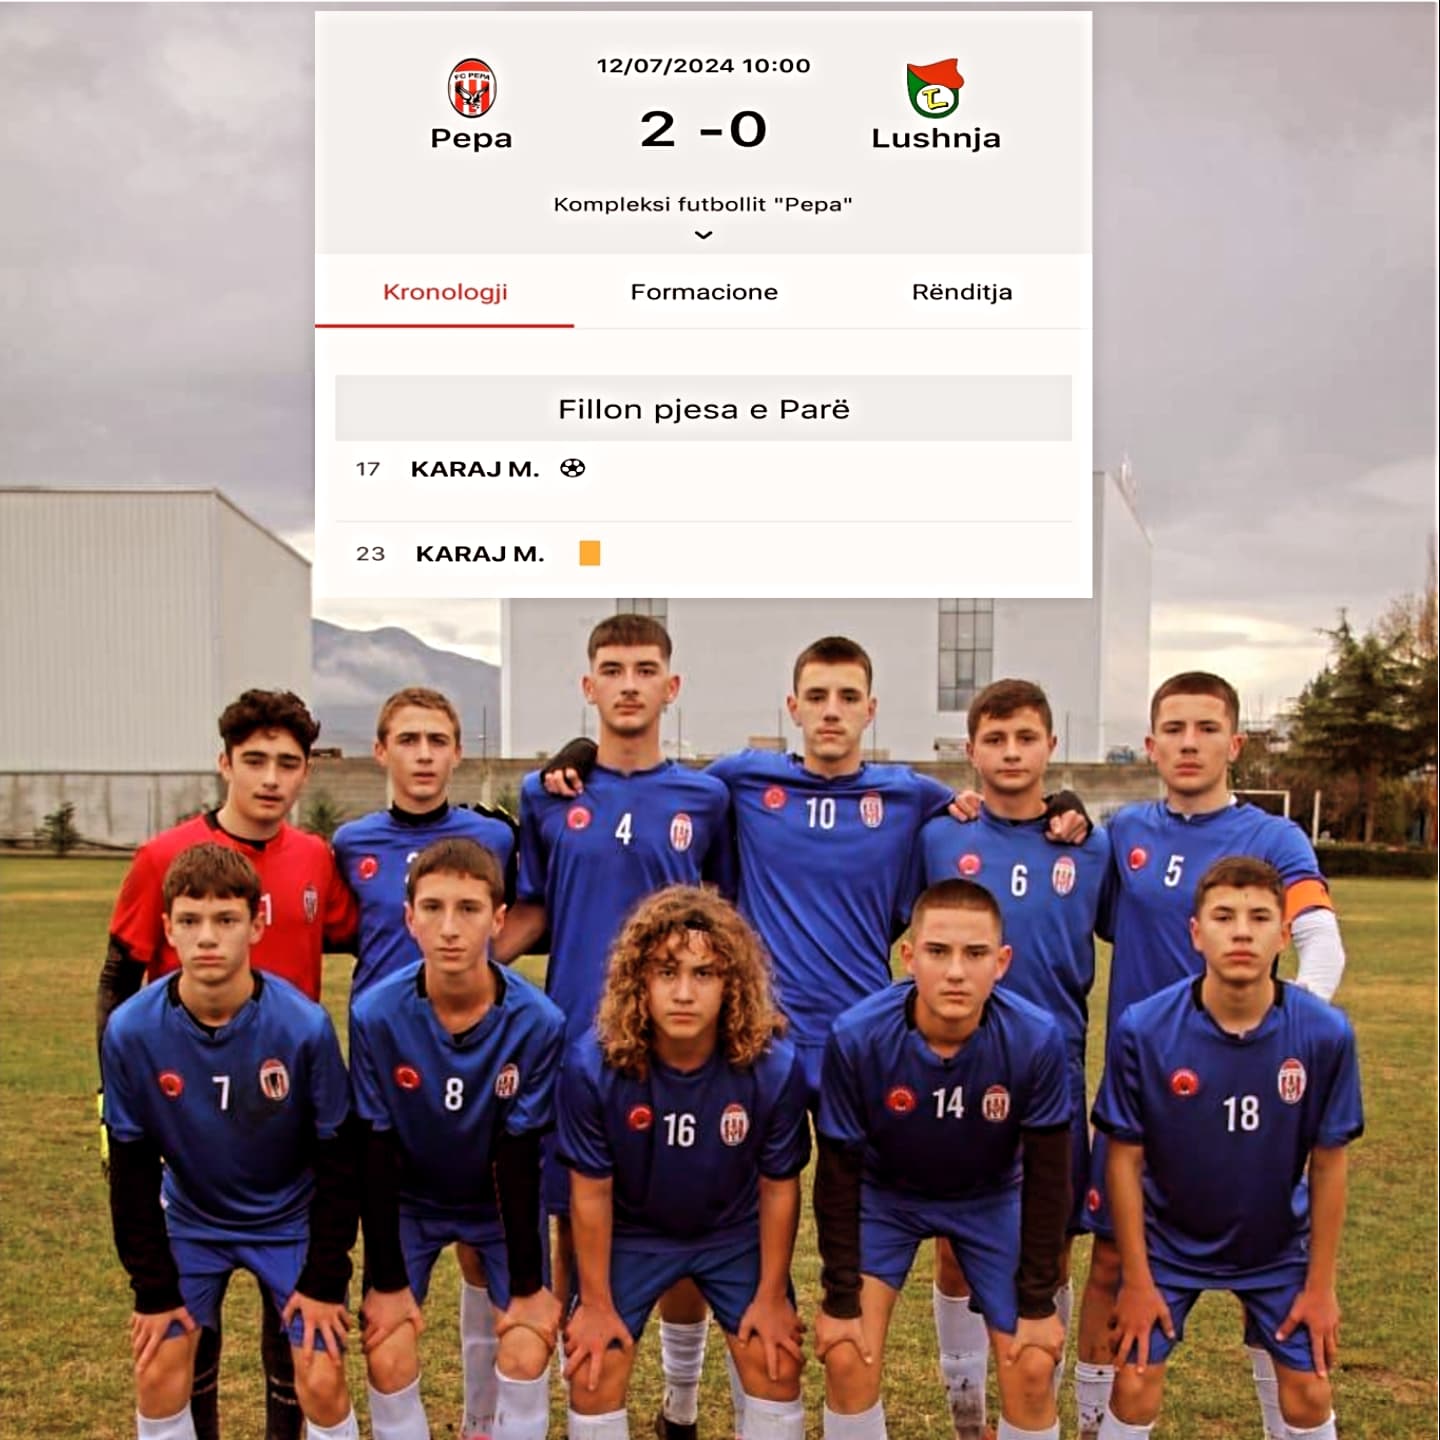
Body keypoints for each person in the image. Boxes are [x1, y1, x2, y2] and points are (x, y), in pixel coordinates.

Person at [1076, 672, 1347, 1440]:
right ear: (1151, 744)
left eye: (1206, 728)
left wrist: (1286, 1034)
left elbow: (1322, 945)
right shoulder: (1125, 832)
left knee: (1273, 1280)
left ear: (1235, 742)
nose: (1189, 743)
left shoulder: (1273, 839)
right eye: (1174, 729)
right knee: (1110, 1266)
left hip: (1246, 1100)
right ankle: (1093, 1425)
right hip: (1144, 1096)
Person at [98, 688, 358, 1440]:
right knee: (182, 1347)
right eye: (254, 761)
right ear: (225, 764)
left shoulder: (316, 857)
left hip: (285, 1113)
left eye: (288, 763)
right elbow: (118, 975)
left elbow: (374, 933)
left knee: (300, 1349)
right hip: (187, 1104)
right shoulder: (162, 858)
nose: (271, 778)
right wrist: (114, 1094)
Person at [503, 613, 733, 1440]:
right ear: (588, 685)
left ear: (671, 687)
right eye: (611, 669)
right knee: (578, 1229)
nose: (628, 684)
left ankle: (680, 1405)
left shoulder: (708, 798)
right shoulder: (546, 794)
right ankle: (588, 1404)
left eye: (644, 669)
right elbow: (532, 907)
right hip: (578, 1047)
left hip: (681, 1050)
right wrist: (456, 968)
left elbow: (723, 921)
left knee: (684, 1222)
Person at [1090, 856, 1362, 1440]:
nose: (1241, 932)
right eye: (1223, 916)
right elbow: (1124, 1159)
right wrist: (1136, 1279)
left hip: (1276, 1246)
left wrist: (1320, 1287)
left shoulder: (1324, 1033)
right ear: (1196, 933)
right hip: (1167, 1244)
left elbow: (1329, 1165)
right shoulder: (1144, 1028)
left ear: (1283, 935)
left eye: (1259, 917)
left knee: (1310, 1389)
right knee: (1133, 1381)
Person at [917, 679, 1111, 1438]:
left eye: (1026, 738)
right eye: (994, 740)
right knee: (956, 1246)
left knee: (1049, 1250)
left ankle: (1033, 1407)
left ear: (1050, 746)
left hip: (1052, 1075)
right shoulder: (940, 836)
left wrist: (1073, 806)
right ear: (971, 751)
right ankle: (969, 1417)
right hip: (956, 1069)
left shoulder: (1088, 845)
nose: (1010, 753)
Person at [813, 879, 1072, 1440]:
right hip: (885, 1197)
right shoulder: (856, 1037)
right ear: (909, 958)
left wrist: (1037, 1302)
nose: (956, 971)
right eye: (938, 951)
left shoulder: (1035, 1039)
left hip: (991, 1195)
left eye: (975, 954)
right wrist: (839, 1297)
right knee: (846, 1354)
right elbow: (837, 1177)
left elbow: (1049, 1179)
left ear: (1001, 962)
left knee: (1032, 1364)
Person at [333, 688, 520, 1440]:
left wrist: (479, 969)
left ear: (457, 752)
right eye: (407, 740)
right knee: (390, 1236)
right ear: (381, 750)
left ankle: (481, 1419)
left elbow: (525, 911)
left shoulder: (493, 836)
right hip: (388, 1073)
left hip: (476, 1063)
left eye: (437, 740)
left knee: (483, 1246)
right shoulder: (349, 842)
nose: (422, 755)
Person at [557, 886, 810, 1440]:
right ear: (638, 981)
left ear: (732, 983)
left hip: (732, 1233)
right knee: (594, 1370)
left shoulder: (773, 1067)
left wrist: (771, 1297)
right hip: (633, 1234)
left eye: (705, 974)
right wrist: (595, 1303)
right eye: (667, 972)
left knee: (775, 1361)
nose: (684, 993)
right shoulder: (592, 1067)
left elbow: (779, 1186)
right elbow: (590, 1193)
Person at [350, 838, 564, 1440]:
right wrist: (387, 1284)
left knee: (527, 1347)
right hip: (411, 1204)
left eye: (468, 909)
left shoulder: (538, 1021)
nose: (450, 928)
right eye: (433, 908)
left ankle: (489, 1425)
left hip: (496, 1206)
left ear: (498, 919)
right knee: (387, 1350)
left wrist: (529, 1289)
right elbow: (373, 1148)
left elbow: (519, 1156)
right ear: (409, 918)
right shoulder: (375, 1015)